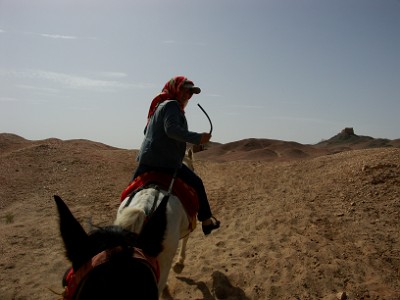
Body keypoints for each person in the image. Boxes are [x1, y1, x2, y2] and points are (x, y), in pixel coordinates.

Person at [132, 76, 220, 235]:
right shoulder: (172, 106)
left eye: (190, 93)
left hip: (146, 161)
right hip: (165, 163)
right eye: (185, 91)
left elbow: (147, 132)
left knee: (130, 192)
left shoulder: (158, 106)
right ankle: (206, 221)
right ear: (175, 89)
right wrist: (198, 138)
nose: (187, 96)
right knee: (197, 183)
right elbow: (171, 130)